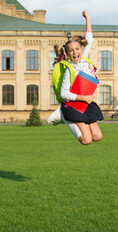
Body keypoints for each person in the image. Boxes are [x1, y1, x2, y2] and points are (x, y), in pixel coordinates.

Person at [48, 10, 103, 145]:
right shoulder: (69, 69)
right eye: (71, 50)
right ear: (67, 54)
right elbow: (63, 93)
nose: (75, 52)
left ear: (81, 50)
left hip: (85, 104)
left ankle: (73, 117)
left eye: (77, 49)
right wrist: (83, 97)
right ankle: (63, 115)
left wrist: (88, 19)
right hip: (72, 105)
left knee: (97, 136)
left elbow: (89, 38)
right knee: (86, 140)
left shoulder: (84, 60)